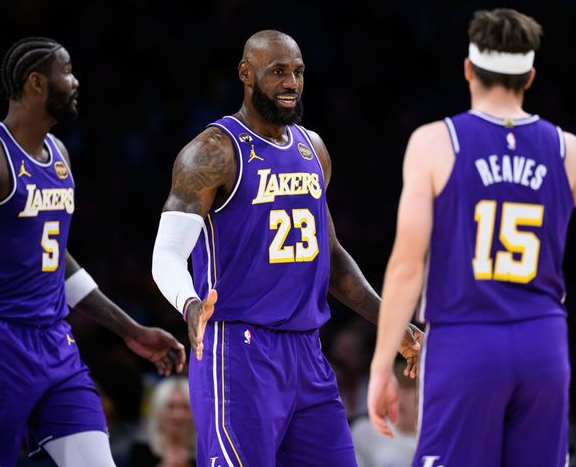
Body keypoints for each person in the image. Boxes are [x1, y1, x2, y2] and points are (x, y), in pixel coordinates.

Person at [367, 8, 576, 466]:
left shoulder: (435, 142)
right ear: (530, 77)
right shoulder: (565, 148)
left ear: (468, 69)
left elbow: (406, 265)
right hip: (542, 345)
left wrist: (380, 367)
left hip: (465, 340)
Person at [151, 29, 422, 466]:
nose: (291, 83)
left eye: (297, 72)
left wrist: (391, 324)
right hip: (237, 350)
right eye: (278, 72)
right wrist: (189, 304)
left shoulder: (313, 148)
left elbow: (330, 257)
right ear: (245, 73)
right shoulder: (212, 152)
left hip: (307, 353)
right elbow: (165, 254)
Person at [0, 37, 187, 467]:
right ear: (35, 84)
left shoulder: (60, 155)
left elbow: (58, 261)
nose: (75, 80)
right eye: (65, 72)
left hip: (57, 347)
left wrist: (131, 331)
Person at [352, 359, 418, 467]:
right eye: (394, 387)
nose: (399, 396)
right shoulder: (364, 431)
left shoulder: (438, 438)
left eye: (408, 388)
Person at [129, 376, 196, 467]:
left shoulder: (204, 452)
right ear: (158, 410)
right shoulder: (141, 450)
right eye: (170, 406)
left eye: (185, 407)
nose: (178, 415)